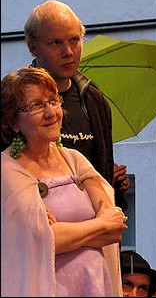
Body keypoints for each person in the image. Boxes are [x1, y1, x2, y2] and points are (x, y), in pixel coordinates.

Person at [1, 66, 126, 296]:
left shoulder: (75, 160)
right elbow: (40, 241)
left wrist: (63, 233)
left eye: (53, 100)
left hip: (94, 284)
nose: (51, 112)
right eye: (36, 105)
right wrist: (96, 227)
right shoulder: (7, 171)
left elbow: (115, 229)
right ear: (13, 122)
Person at [20, 0, 131, 210]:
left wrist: (111, 182)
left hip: (95, 227)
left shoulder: (94, 101)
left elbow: (98, 169)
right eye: (56, 43)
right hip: (42, 227)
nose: (69, 52)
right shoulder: (14, 102)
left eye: (74, 39)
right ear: (33, 47)